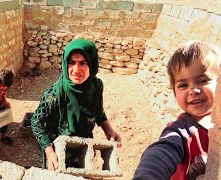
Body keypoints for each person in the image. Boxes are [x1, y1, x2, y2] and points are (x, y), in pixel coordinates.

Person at [133, 41, 221, 179]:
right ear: (174, 91)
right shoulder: (179, 131)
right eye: (183, 85)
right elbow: (161, 153)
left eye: (203, 80)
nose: (193, 90)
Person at [31, 39, 121, 171]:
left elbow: (97, 110)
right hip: (59, 146)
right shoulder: (54, 95)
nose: (76, 70)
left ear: (93, 65)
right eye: (71, 63)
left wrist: (108, 128)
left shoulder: (96, 86)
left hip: (84, 142)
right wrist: (49, 152)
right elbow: (36, 121)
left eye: (83, 63)